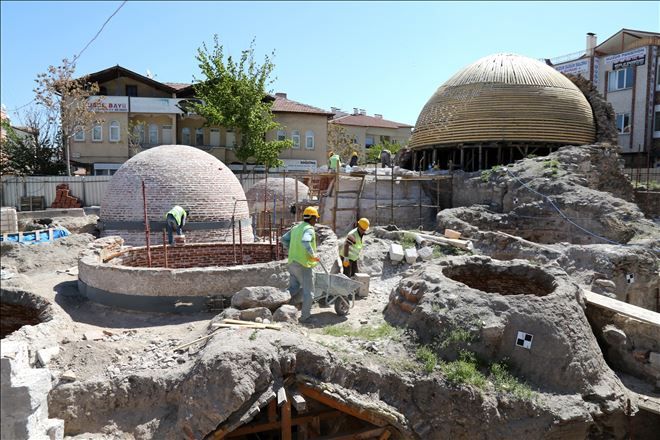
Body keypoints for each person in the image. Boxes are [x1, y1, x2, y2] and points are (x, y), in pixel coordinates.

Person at [281, 206, 321, 322]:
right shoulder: (309, 229)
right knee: (309, 292)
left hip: (292, 262)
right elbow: (305, 241)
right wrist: (313, 255)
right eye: (316, 218)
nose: (316, 221)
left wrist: (291, 248)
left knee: (293, 289)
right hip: (304, 264)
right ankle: (305, 316)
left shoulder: (296, 227)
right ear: (312, 218)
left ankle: (283, 310)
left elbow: (283, 239)